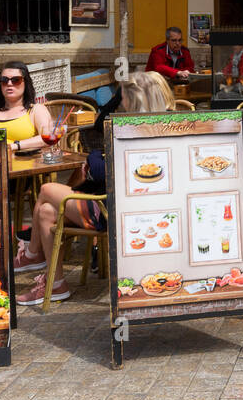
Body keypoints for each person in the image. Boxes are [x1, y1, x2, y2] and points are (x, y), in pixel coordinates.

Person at [15, 72, 174, 306]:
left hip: (117, 209)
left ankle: (32, 254)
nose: (119, 100)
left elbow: (102, 172)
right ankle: (55, 283)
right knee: (46, 211)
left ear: (137, 97)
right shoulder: (162, 125)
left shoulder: (132, 129)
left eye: (124, 95)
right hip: (121, 203)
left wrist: (93, 158)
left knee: (47, 190)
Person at [0, 62, 52, 154]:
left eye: (16, 80)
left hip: (25, 164)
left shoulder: (36, 110)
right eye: (4, 80)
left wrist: (14, 146)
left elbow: (48, 137)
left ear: (26, 83)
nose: (9, 84)